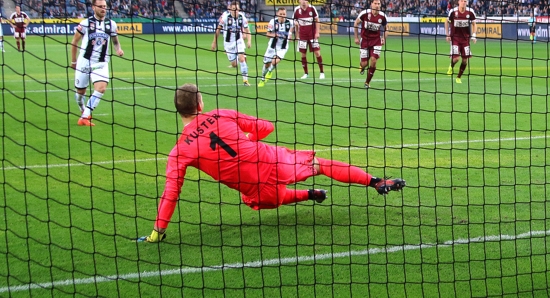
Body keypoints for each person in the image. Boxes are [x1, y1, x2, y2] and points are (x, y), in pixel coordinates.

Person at [136, 83, 406, 243]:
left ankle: (309, 195)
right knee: (319, 164)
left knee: (256, 200)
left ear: (178, 110)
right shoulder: (221, 114)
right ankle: (376, 181)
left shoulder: (179, 151)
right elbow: (267, 127)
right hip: (272, 160)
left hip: (254, 185)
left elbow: (172, 192)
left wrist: (157, 231)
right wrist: (248, 140)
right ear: (200, 103)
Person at [70, 0, 124, 126]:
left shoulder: (111, 24)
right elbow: (74, 42)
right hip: (84, 62)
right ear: (93, 7)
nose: (103, 9)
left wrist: (118, 49)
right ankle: (83, 108)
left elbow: (115, 42)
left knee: (101, 88)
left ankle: (85, 116)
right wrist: (73, 62)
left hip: (101, 63)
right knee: (80, 93)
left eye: (105, 6)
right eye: (100, 6)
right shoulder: (85, 23)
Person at [211, 1, 252, 86]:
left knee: (241, 59)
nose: (235, 11)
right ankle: (237, 59)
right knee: (234, 64)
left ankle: (245, 80)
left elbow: (247, 30)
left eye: (236, 9)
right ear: (230, 10)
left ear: (239, 9)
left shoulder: (242, 18)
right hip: (228, 44)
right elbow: (218, 29)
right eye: (233, 9)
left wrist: (249, 41)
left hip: (239, 41)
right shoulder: (225, 18)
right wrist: (214, 42)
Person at [353, 0, 387, 89]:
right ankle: (362, 67)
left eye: (379, 4)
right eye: (375, 3)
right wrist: (356, 37)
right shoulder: (364, 14)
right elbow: (356, 24)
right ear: (371, 4)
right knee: (364, 64)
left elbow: (386, 28)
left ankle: (367, 82)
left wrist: (383, 38)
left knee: (373, 60)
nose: (377, 5)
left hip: (376, 41)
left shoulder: (383, 16)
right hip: (364, 41)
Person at [293, 0, 326, 80]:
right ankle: (306, 73)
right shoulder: (296, 10)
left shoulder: (312, 8)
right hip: (302, 36)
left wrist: (317, 32)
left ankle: (322, 72)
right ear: (299, 1)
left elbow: (317, 20)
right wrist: (296, 34)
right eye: (302, 0)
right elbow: (295, 23)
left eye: (305, 0)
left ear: (307, 0)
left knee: (317, 53)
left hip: (312, 35)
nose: (304, 1)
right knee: (303, 54)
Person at [258, 7, 293, 87]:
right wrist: (275, 35)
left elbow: (296, 25)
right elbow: (267, 34)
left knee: (275, 61)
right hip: (272, 46)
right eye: (280, 14)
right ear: (277, 14)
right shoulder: (273, 22)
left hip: (282, 47)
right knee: (267, 64)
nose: (282, 16)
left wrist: (293, 35)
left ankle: (270, 72)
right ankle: (263, 78)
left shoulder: (290, 22)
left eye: (284, 14)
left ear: (286, 14)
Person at [446, 0, 477, 84]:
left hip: (465, 39)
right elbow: (446, 21)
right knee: (456, 59)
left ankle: (458, 77)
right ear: (458, 2)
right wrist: (447, 34)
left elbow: (474, 24)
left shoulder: (470, 12)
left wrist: (474, 35)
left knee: (464, 60)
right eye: (462, 1)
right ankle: (451, 66)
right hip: (455, 38)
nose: (463, 2)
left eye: (465, 1)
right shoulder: (453, 11)